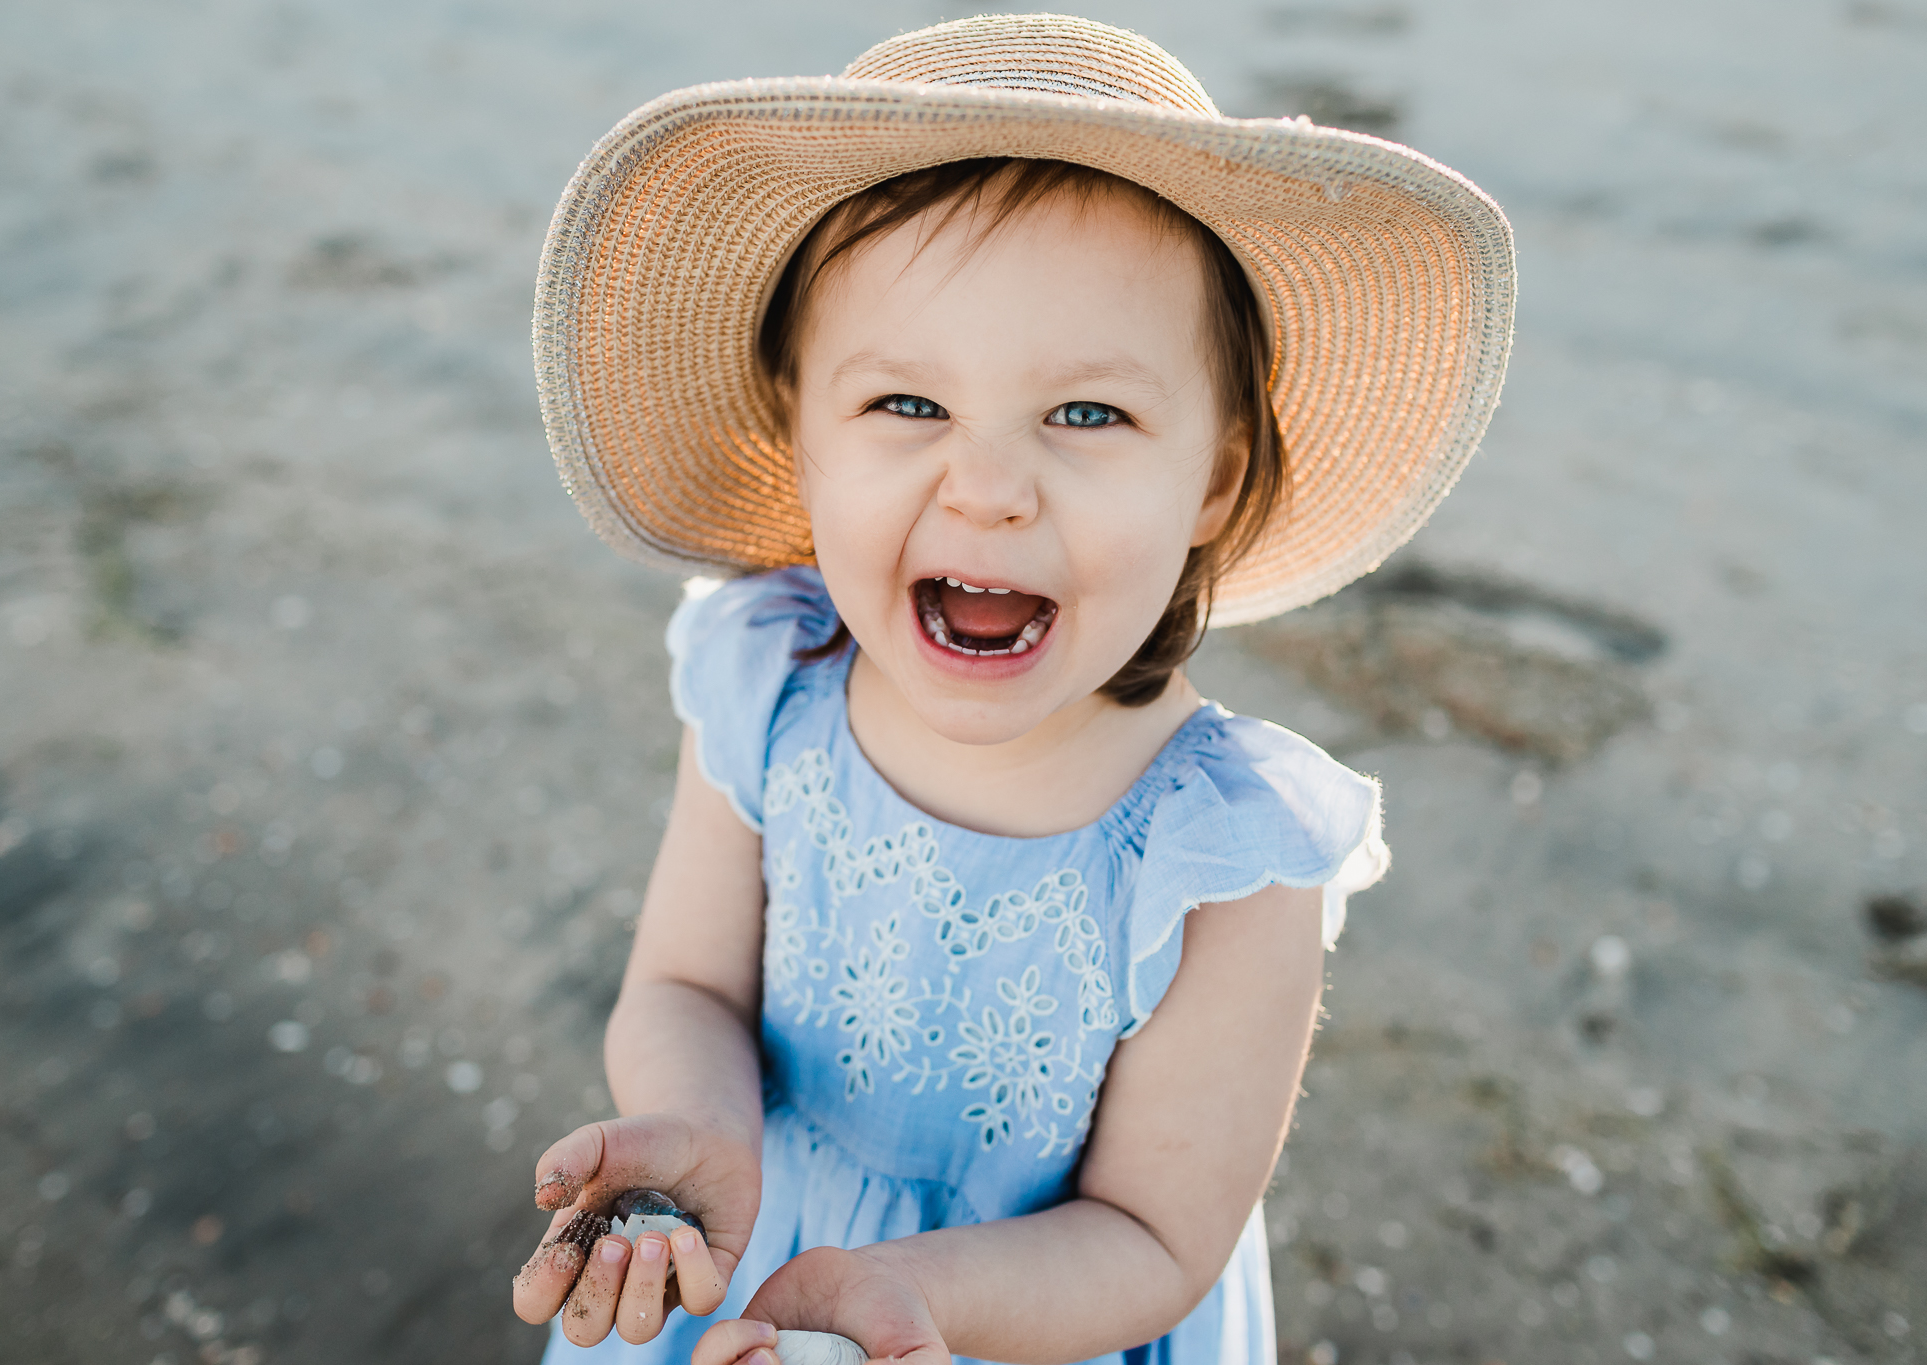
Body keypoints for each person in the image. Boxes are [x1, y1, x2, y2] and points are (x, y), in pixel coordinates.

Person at [513, 14, 1514, 1365]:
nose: (986, 485)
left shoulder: (1225, 856)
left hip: (1017, 1318)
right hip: (750, 1265)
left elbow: (1154, 1235)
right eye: (906, 405)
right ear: (798, 439)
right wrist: (699, 1133)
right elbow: (685, 984)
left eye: (1087, 414)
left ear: (1214, 477)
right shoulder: (768, 691)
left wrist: (917, 1298)